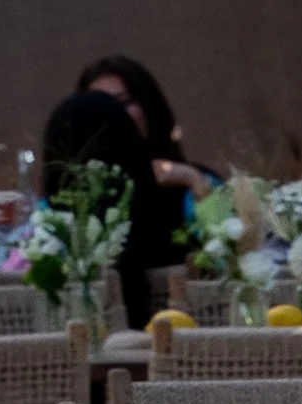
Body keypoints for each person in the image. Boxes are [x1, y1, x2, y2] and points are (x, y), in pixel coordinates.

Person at [41, 54, 201, 327]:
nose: (112, 115)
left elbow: (233, 263)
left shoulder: (191, 184)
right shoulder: (60, 207)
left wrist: (196, 182)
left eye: (124, 103)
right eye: (98, 105)